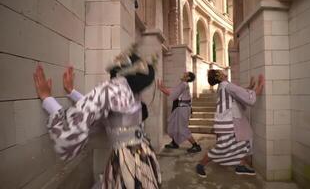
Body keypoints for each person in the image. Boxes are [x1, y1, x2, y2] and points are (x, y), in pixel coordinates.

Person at [33, 45, 161, 189]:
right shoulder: (130, 91)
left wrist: (47, 99)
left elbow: (71, 131)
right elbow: (103, 108)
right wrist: (72, 92)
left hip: (128, 161)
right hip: (142, 155)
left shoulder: (113, 88)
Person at [195, 69, 264, 178]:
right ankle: (201, 164)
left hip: (226, 122)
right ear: (221, 76)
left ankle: (240, 165)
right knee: (223, 147)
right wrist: (260, 86)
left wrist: (250, 87)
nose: (224, 72)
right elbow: (247, 97)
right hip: (228, 123)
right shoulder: (227, 86)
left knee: (242, 141)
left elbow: (239, 93)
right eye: (222, 72)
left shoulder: (223, 86)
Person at [157, 72, 201, 153]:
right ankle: (174, 143)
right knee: (173, 125)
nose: (183, 73)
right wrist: (163, 88)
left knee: (182, 128)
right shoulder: (183, 84)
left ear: (188, 78)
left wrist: (161, 88)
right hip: (180, 108)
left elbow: (172, 94)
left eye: (186, 74)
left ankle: (195, 145)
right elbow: (174, 91)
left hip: (182, 109)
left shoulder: (184, 84)